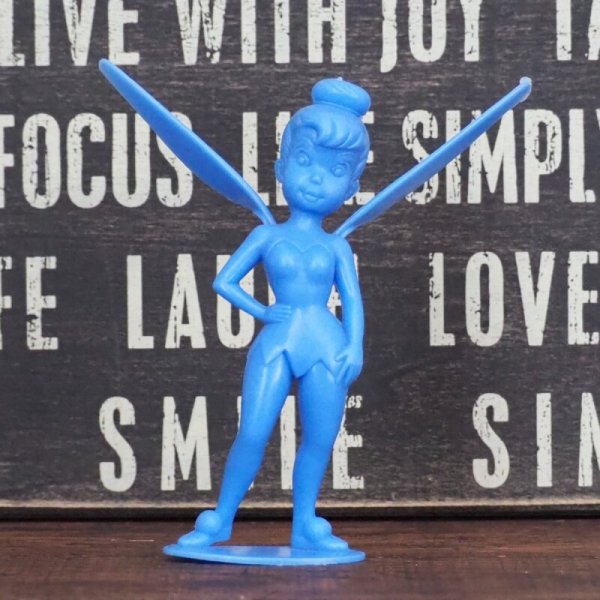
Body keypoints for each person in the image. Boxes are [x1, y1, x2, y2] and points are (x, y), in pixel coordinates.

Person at [178, 78, 371, 551]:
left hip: (326, 346)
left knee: (320, 438)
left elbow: (352, 300)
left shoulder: (337, 246)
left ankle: (305, 522)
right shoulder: (267, 235)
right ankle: (221, 519)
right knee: (253, 431)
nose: (316, 179)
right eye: (304, 161)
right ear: (280, 166)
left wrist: (355, 346)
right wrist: (263, 309)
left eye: (335, 170)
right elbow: (224, 281)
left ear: (352, 185)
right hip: (279, 340)